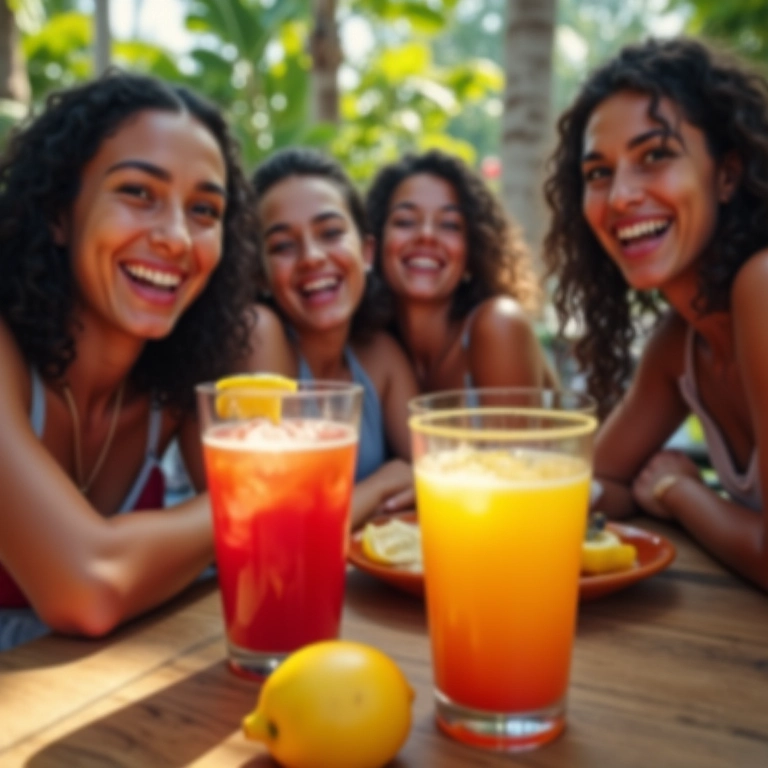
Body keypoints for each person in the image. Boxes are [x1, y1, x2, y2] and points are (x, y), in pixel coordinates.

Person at [0, 71, 263, 649]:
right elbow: (87, 587)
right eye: (138, 192)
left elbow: (264, 552)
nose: (176, 237)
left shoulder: (177, 382)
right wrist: (288, 485)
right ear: (59, 214)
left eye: (204, 210)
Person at [543, 37, 768, 591]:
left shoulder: (762, 284)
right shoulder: (681, 344)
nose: (620, 196)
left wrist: (681, 495)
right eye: (599, 173)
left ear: (727, 173)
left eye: (655, 156)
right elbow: (596, 483)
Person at [251, 147, 418, 529]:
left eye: (330, 233)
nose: (311, 257)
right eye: (282, 246)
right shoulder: (262, 336)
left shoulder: (379, 356)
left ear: (366, 251)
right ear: (259, 275)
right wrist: (381, 485)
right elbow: (281, 526)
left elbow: (435, 476)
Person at [366, 149, 555, 393]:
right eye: (405, 221)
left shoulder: (498, 325)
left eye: (449, 225)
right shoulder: (375, 349)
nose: (426, 235)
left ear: (472, 250)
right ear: (375, 243)